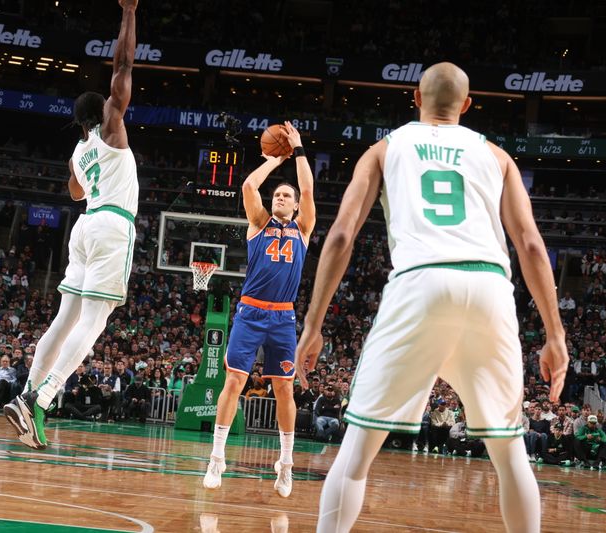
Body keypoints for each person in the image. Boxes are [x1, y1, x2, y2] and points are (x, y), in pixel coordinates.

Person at [294, 62, 568, 532]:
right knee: (510, 452)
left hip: (420, 282)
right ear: (466, 106)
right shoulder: (498, 156)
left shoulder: (384, 149)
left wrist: (313, 325)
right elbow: (530, 245)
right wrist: (555, 334)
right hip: (489, 287)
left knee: (357, 450)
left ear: (415, 99)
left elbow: (340, 236)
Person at [5, 0, 141, 450]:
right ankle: (42, 399)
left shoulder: (77, 154)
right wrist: (127, 11)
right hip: (111, 227)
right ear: (102, 110)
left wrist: (86, 153)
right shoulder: (113, 129)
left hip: (83, 227)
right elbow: (123, 62)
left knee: (64, 320)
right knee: (94, 321)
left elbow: (75, 193)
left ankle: (26, 390)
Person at [202, 120, 315, 499]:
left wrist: (298, 152)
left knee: (285, 388)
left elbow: (308, 188)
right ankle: (217, 457)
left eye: (287, 196)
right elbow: (249, 186)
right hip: (250, 313)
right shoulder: (258, 224)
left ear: (297, 206)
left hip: (283, 316)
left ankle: (285, 464)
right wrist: (272, 158)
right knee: (233, 381)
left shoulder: (303, 229)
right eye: (277, 195)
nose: (281, 197)